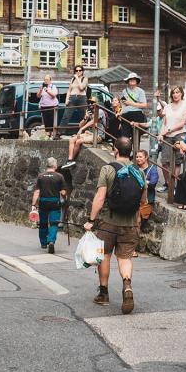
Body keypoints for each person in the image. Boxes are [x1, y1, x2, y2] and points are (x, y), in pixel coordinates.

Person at [84, 137, 147, 314]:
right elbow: (143, 200)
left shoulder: (108, 169)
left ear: (115, 150)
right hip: (131, 224)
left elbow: (100, 197)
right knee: (125, 258)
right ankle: (127, 284)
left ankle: (103, 293)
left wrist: (91, 220)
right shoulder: (139, 172)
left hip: (109, 222)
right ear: (131, 152)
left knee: (105, 255)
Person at [156, 85, 186, 193]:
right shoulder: (167, 107)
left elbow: (182, 123)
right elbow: (164, 123)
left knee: (177, 162)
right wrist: (161, 134)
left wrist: (168, 130)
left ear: (181, 93)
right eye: (173, 93)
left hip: (179, 134)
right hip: (167, 135)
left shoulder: (185, 106)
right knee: (164, 162)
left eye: (177, 92)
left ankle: (173, 186)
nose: (175, 95)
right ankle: (167, 184)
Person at [31, 157, 66, 253]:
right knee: (54, 223)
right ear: (54, 165)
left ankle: (43, 243)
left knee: (43, 223)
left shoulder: (41, 176)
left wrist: (33, 205)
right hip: (55, 202)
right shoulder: (59, 176)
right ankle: (51, 241)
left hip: (43, 202)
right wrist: (65, 198)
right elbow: (63, 192)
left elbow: (37, 192)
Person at [61, 100, 107, 169]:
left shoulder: (99, 111)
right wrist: (86, 117)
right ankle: (69, 160)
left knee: (78, 141)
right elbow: (80, 125)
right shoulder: (89, 112)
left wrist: (82, 129)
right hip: (89, 133)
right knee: (72, 139)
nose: (90, 104)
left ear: (96, 103)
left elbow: (93, 121)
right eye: (89, 103)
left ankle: (71, 160)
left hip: (98, 135)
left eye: (92, 102)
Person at [59, 65, 88, 137]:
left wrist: (77, 78)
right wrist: (66, 99)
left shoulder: (85, 79)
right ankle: (60, 132)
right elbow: (69, 90)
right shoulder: (72, 79)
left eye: (80, 70)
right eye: (76, 70)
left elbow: (81, 88)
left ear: (82, 71)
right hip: (72, 98)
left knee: (84, 116)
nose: (78, 72)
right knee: (66, 115)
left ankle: (84, 132)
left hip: (81, 98)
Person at [134, 149, 159, 233]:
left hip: (147, 200)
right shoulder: (135, 168)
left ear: (146, 157)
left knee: (140, 221)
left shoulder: (152, 169)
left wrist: (140, 181)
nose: (138, 159)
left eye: (140, 157)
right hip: (135, 198)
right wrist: (146, 181)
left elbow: (152, 183)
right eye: (137, 157)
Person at [118, 72, 148, 139]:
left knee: (136, 136)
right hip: (125, 114)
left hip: (137, 114)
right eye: (130, 79)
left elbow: (144, 105)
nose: (132, 80)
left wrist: (130, 103)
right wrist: (120, 112)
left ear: (137, 81)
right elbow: (123, 104)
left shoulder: (141, 91)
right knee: (124, 135)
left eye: (134, 79)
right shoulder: (124, 91)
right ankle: (126, 146)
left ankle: (135, 146)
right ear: (128, 81)